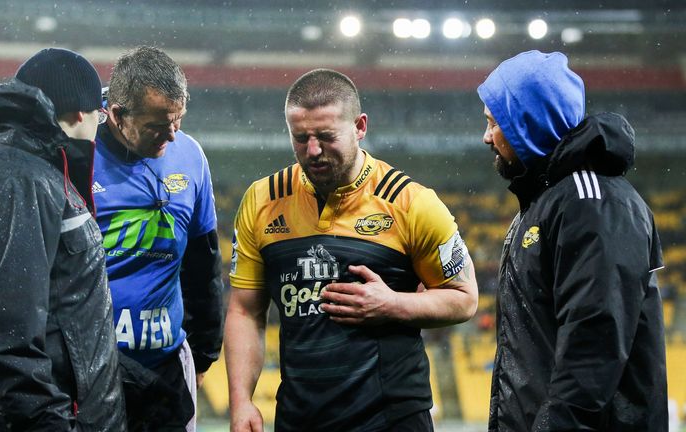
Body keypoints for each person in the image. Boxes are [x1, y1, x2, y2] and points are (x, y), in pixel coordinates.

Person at [225, 68, 479, 431]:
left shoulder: (412, 203)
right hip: (300, 417)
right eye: (300, 138)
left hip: (391, 417)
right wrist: (241, 402)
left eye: (326, 136)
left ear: (360, 126)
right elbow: (245, 311)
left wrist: (393, 304)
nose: (312, 151)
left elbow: (465, 299)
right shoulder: (263, 199)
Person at [477, 50, 667, 431]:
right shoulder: (547, 203)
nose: (485, 137)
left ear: (526, 124)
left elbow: (594, 344)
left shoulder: (591, 202)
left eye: (494, 123)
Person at [0, 48, 126, 430]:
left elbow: (65, 324)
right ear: (78, 113)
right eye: (100, 114)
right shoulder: (16, 180)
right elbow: (6, 340)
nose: (101, 124)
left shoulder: (39, 174)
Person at [93, 46, 224, 431]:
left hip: (167, 368)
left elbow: (204, 263)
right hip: (94, 372)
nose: (172, 134)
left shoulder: (190, 155)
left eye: (178, 120)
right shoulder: (76, 155)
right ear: (117, 114)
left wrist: (202, 353)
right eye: (156, 125)